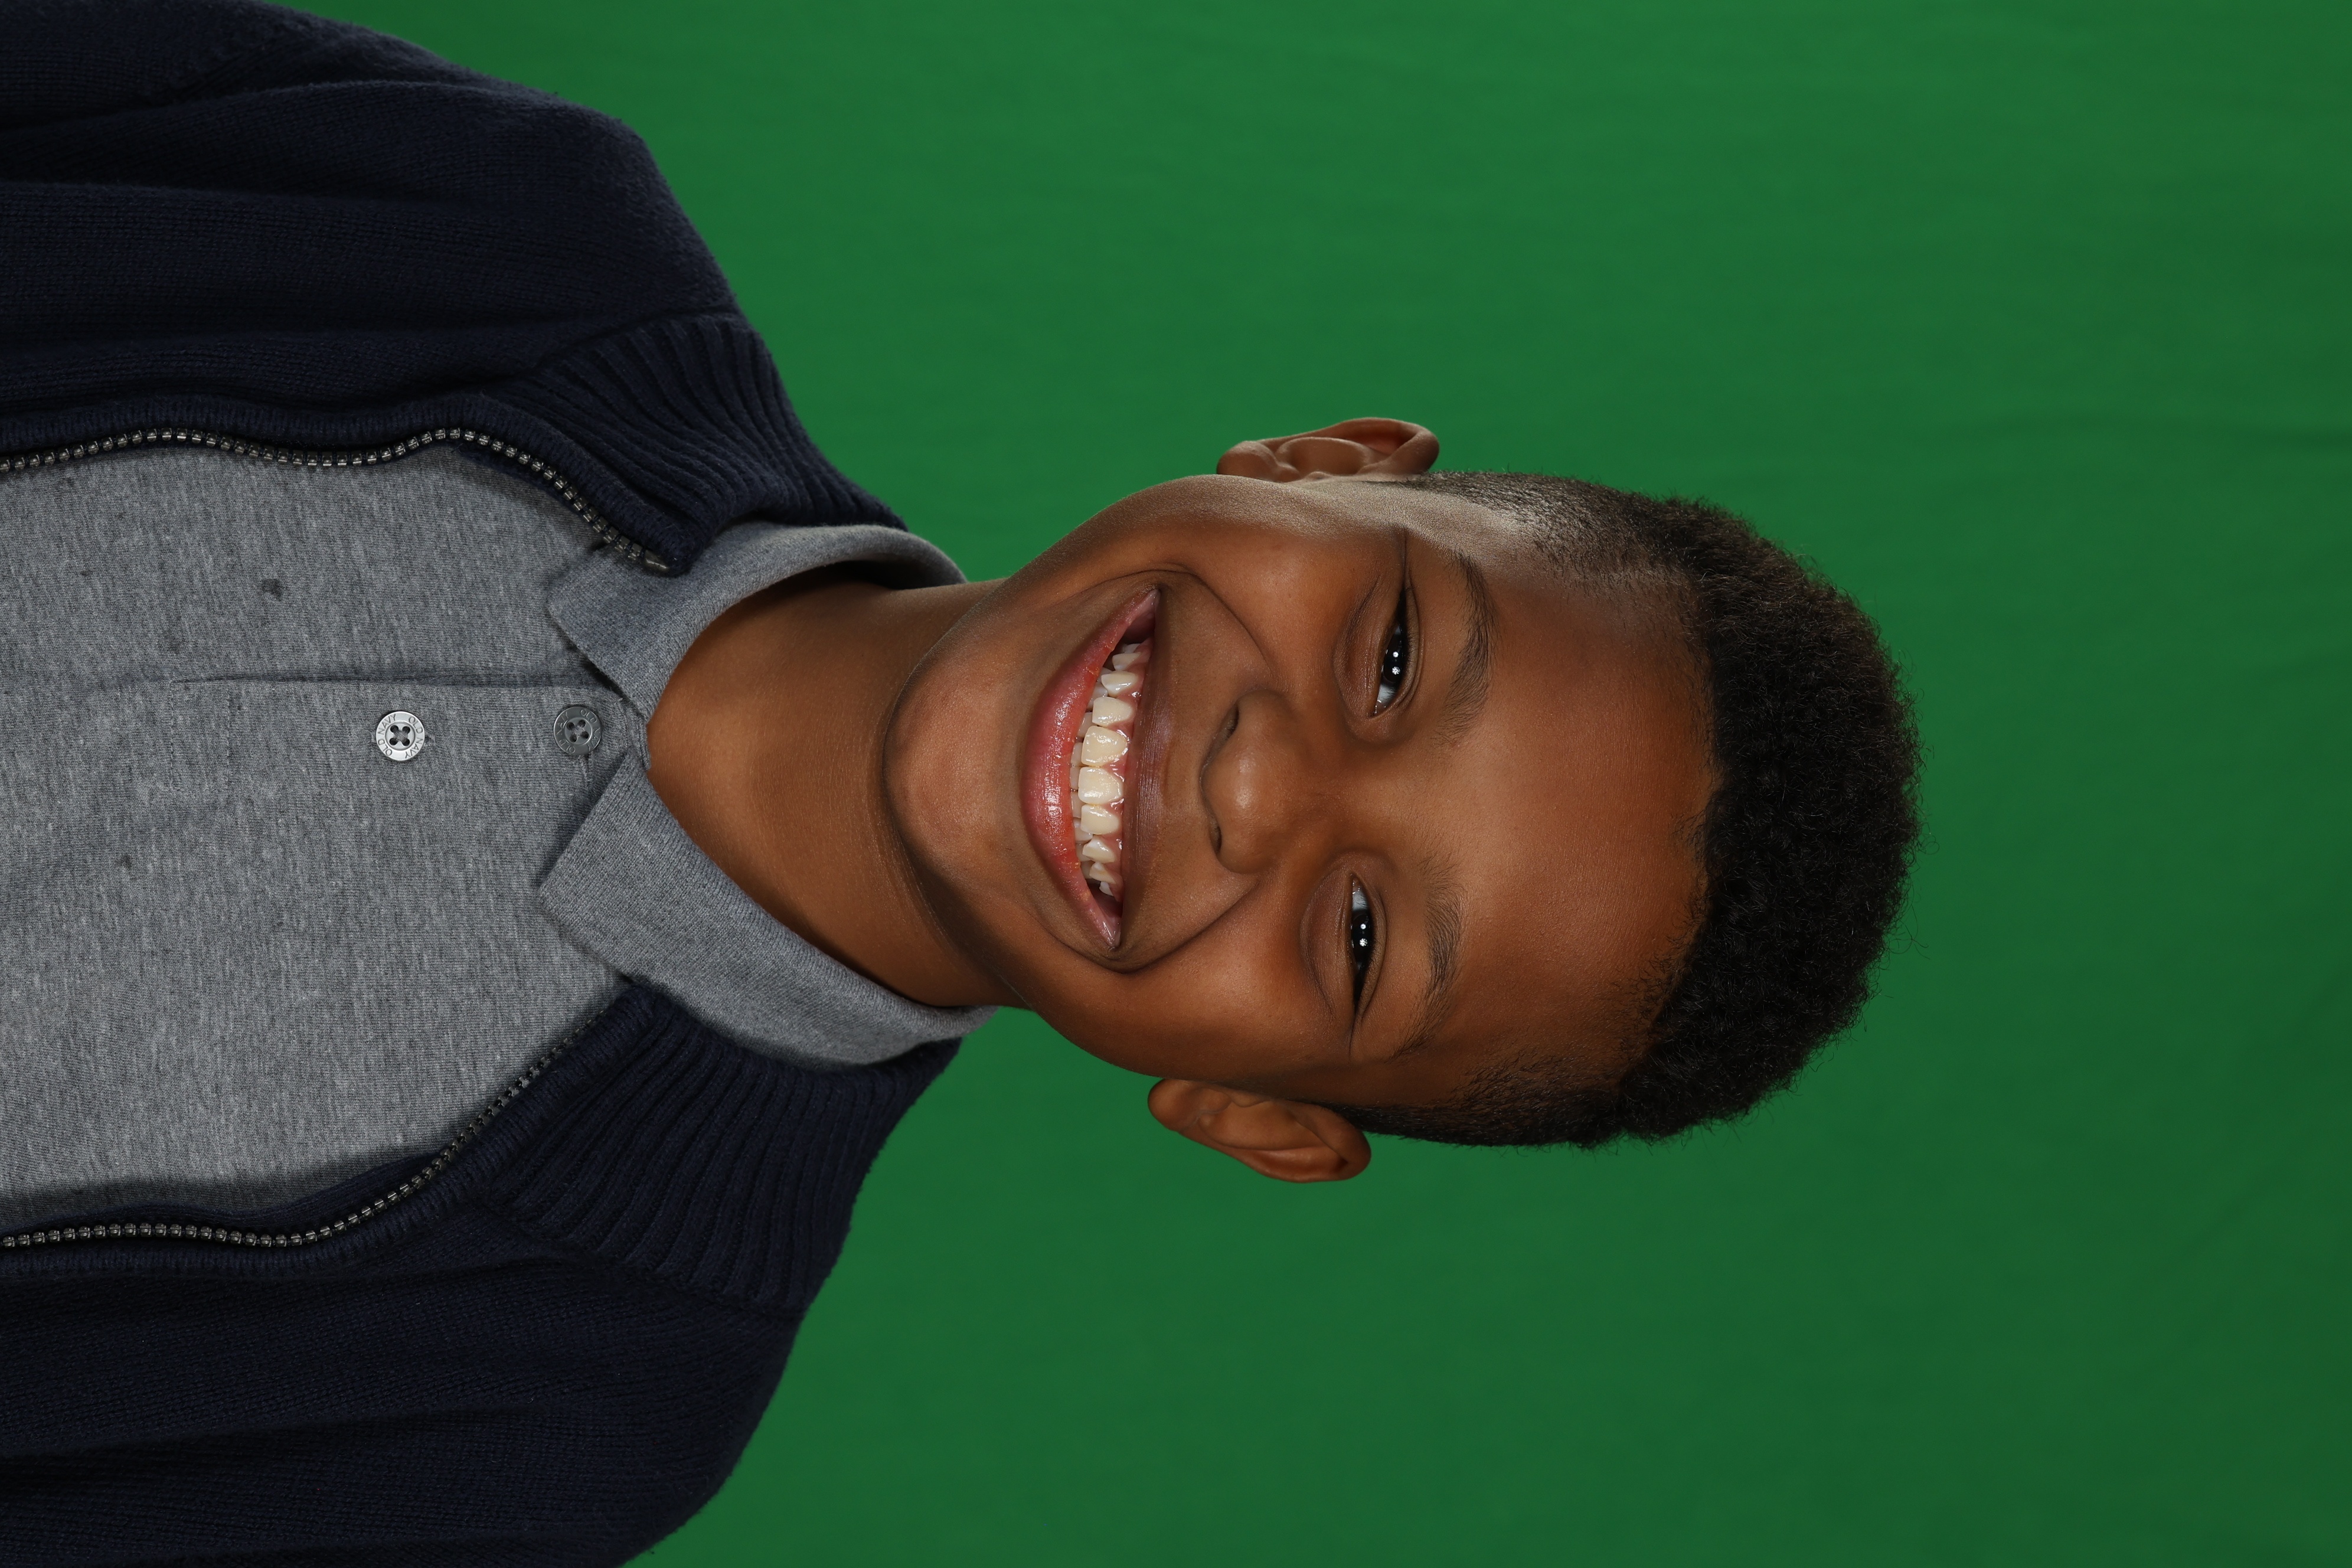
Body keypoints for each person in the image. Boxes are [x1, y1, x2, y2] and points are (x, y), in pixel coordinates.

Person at [0, 1, 1919, 1562]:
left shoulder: (539, 1417)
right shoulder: (490, 223)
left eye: (1358, 933)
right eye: (1398, 658)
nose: (1261, 789)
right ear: (1321, 462)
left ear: (1254, 1112)